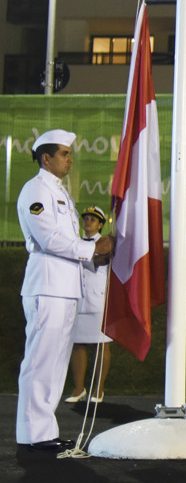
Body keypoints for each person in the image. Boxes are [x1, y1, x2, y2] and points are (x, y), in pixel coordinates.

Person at [16, 130, 114, 451]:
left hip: (65, 289)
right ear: (46, 158)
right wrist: (91, 248)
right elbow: (49, 239)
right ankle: (32, 434)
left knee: (56, 364)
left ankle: (43, 432)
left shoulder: (60, 192)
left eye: (70, 153)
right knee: (41, 362)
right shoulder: (36, 190)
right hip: (48, 287)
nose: (70, 159)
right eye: (64, 153)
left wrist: (95, 253)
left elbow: (69, 244)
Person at [64, 206, 113, 405]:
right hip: (78, 297)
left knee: (101, 344)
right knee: (77, 343)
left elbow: (98, 260)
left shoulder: (106, 242)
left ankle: (98, 389)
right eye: (86, 218)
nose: (88, 222)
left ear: (100, 224)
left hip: (99, 298)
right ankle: (79, 388)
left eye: (93, 219)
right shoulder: (75, 242)